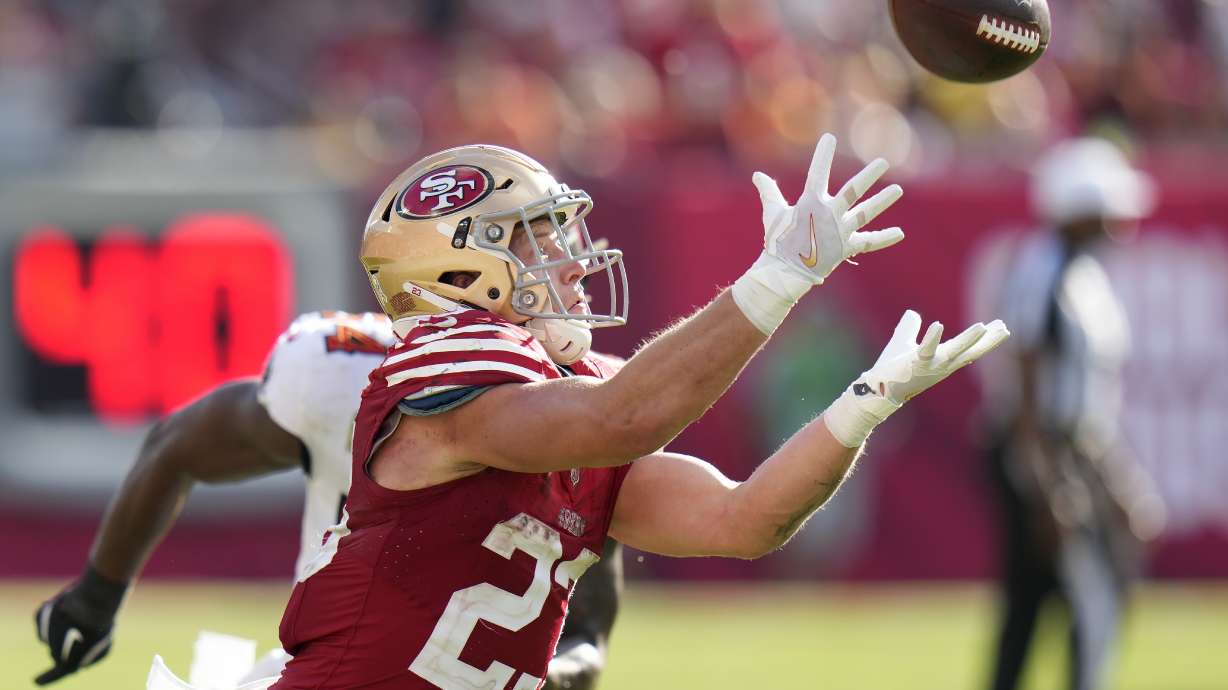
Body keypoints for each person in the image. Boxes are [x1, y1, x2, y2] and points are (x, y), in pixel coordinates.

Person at [271, 137, 1009, 690]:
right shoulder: (447, 361)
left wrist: (862, 408)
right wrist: (777, 279)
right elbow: (618, 420)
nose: (577, 258)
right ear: (462, 272)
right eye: (543, 238)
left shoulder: (570, 389)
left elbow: (744, 520)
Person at [33, 308, 624, 690]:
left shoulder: (592, 404)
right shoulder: (351, 375)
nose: (566, 273)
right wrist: (95, 598)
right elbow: (179, 445)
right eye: (535, 246)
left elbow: (585, 638)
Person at [983, 137, 1166, 690]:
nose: (1121, 221)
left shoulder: (1082, 273)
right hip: (1051, 456)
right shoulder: (1045, 272)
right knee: (1089, 597)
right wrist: (1047, 488)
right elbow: (1027, 393)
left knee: (1036, 603)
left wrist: (1119, 479)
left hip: (1078, 453)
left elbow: (1091, 404)